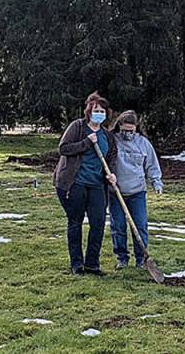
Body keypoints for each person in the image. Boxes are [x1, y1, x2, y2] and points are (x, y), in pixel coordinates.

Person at [53, 92, 118, 275]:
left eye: (102, 111)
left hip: (97, 184)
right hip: (74, 183)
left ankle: (92, 264)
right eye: (96, 110)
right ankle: (76, 264)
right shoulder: (78, 127)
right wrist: (86, 143)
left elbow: (111, 156)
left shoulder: (107, 135)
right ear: (89, 111)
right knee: (75, 222)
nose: (99, 113)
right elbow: (63, 148)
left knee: (97, 222)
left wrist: (111, 174)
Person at [108, 110, 162, 269]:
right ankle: (122, 258)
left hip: (137, 192)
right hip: (116, 192)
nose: (127, 134)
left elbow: (152, 165)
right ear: (119, 127)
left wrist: (156, 182)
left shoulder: (143, 143)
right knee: (118, 226)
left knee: (140, 226)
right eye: (124, 130)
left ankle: (141, 259)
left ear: (136, 129)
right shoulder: (113, 141)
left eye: (131, 131)